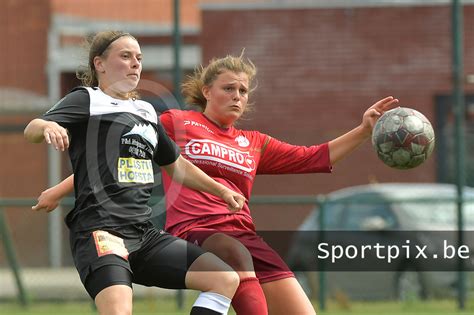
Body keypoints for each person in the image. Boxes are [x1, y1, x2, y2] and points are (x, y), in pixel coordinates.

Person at [34, 53, 399, 314]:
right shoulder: (176, 121)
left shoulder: (254, 142)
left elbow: (314, 157)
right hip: (198, 231)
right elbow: (119, 155)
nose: (237, 96)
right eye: (228, 88)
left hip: (245, 234)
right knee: (233, 259)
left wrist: (364, 131)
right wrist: (60, 189)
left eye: (243, 91)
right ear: (206, 91)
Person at [24, 31, 248, 315]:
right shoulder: (87, 99)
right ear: (100, 64)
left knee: (224, 278)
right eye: (125, 56)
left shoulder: (145, 111)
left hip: (144, 235)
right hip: (101, 231)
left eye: (139, 58)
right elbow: (32, 128)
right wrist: (47, 126)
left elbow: (176, 165)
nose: (135, 64)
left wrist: (222, 190)